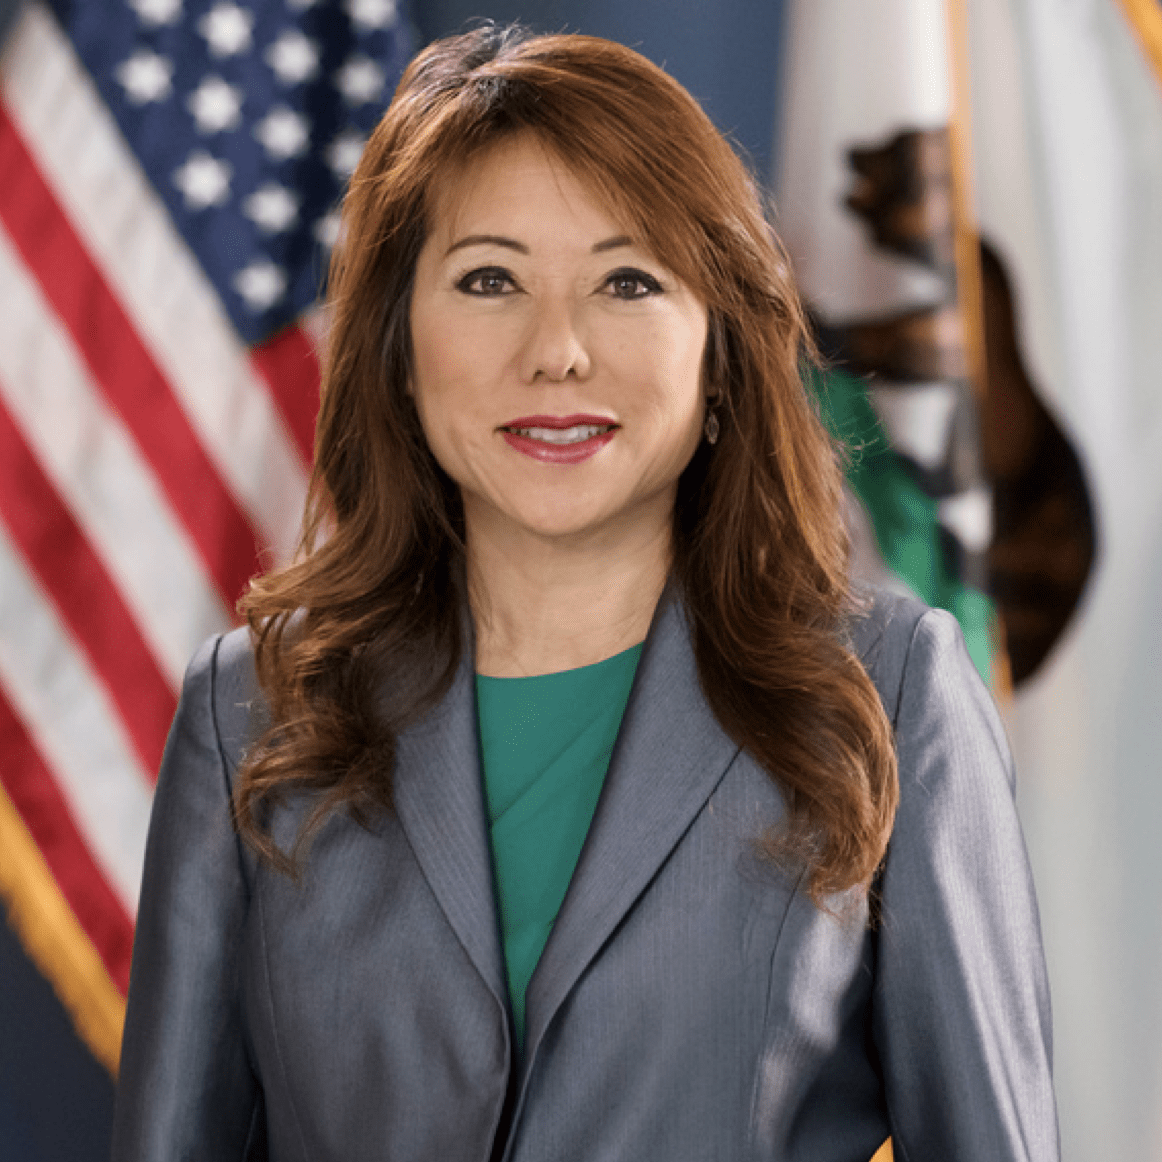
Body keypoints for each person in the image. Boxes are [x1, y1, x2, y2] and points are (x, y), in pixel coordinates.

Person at [110, 24, 1059, 1162]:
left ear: (719, 347)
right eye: (489, 279)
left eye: (626, 281)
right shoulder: (248, 713)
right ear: (398, 348)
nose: (556, 350)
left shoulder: (890, 694)